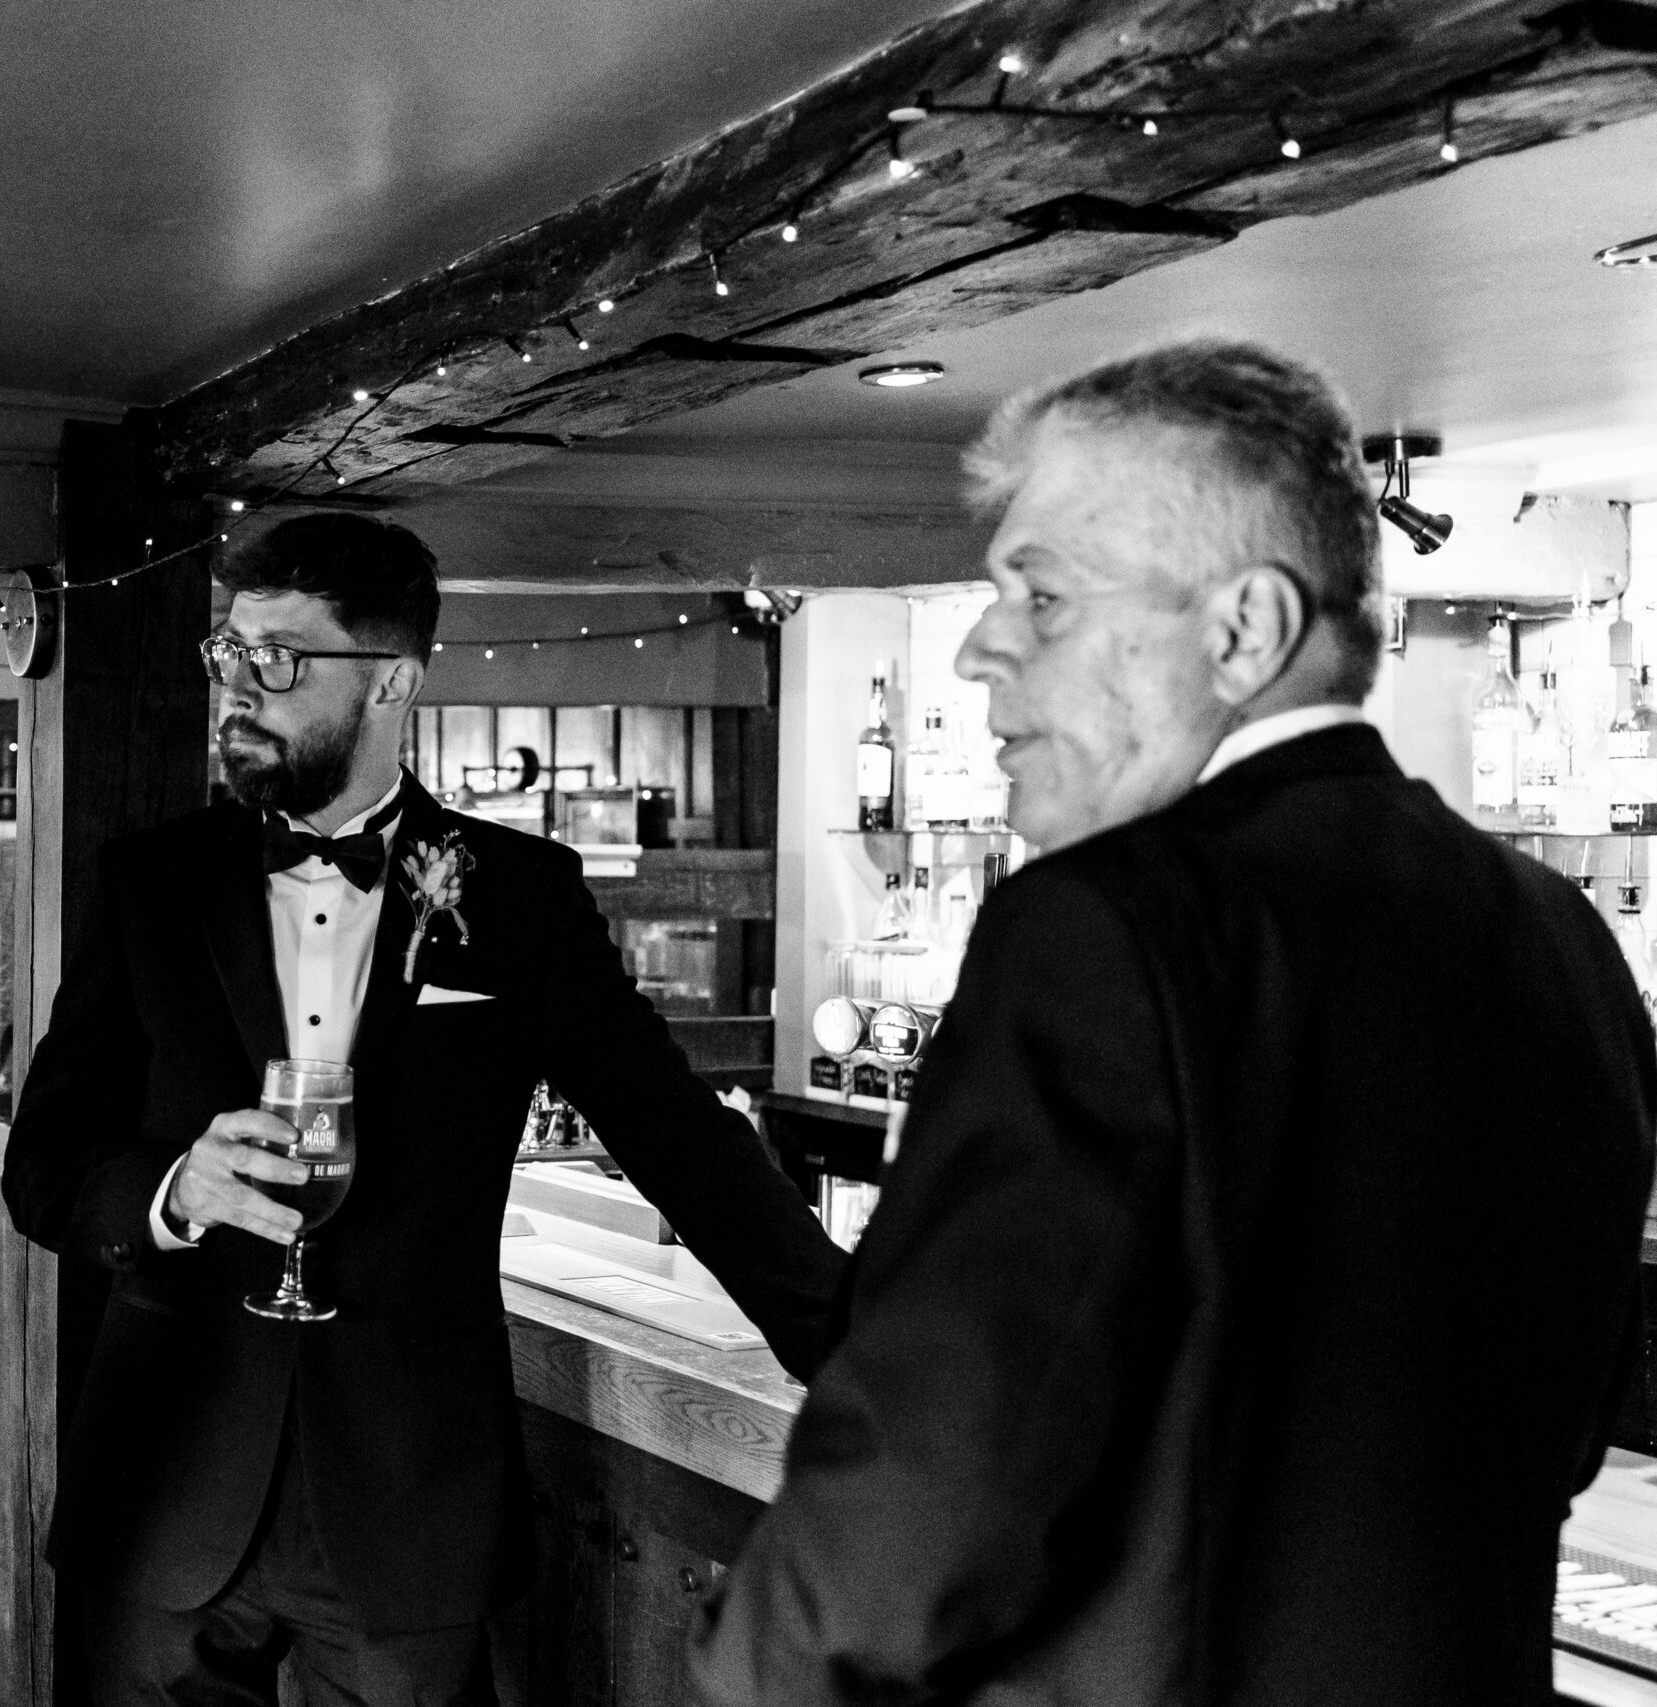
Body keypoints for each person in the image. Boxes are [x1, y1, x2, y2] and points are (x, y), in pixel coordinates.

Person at [687, 338, 1657, 1706]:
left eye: (1045, 594)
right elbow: (1571, 1419)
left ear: (1243, 629)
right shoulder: (1559, 936)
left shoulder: (1103, 928)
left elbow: (920, 1490)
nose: (981, 645)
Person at [1, 511, 845, 1704]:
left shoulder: (520, 899)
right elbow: (43, 1166)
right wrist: (174, 1190)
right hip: (165, 1482)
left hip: (410, 1500)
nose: (239, 686)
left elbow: (681, 1140)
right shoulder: (150, 885)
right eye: (229, 654)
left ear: (392, 679)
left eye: (280, 658)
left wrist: (866, 1361)